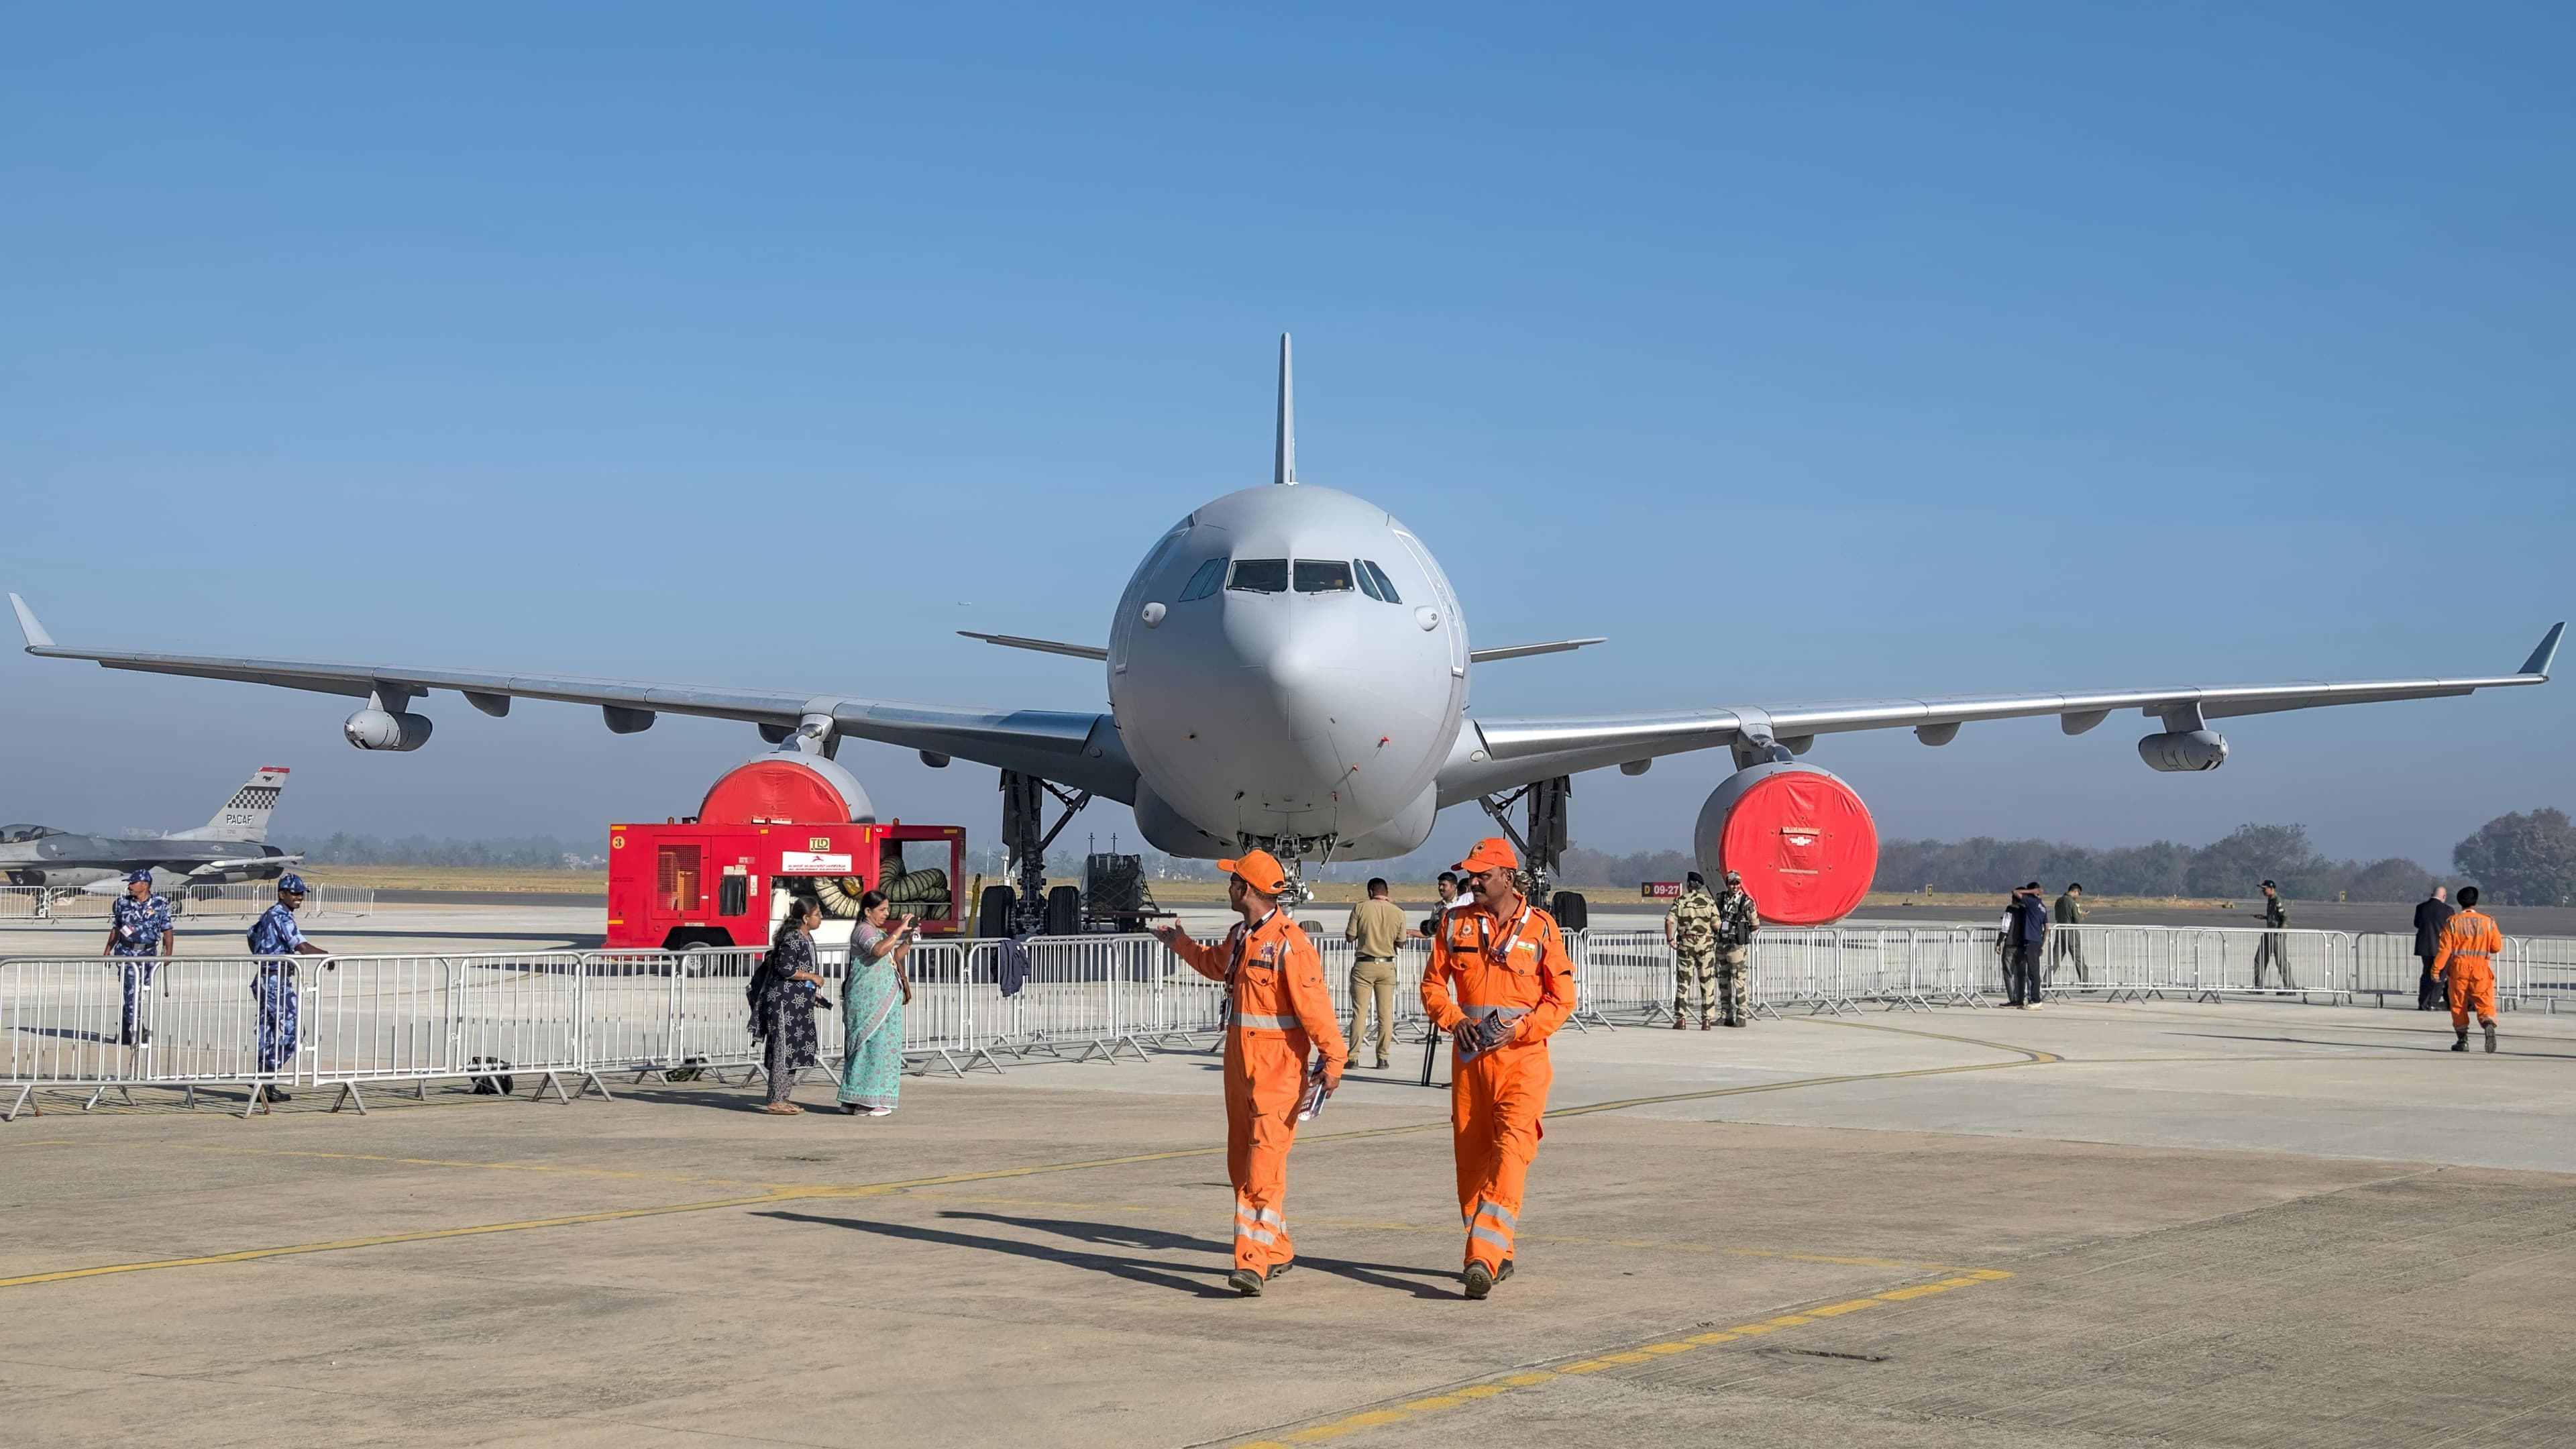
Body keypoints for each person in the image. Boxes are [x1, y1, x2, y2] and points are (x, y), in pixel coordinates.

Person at [1152, 849, 1347, 1296]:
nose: (1228, 887)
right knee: (1241, 1165)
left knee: (1262, 1169)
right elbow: (1215, 965)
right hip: (1240, 1070)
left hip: (1278, 1073)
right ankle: (1276, 1249)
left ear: (1246, 889)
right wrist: (1180, 944)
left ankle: (1252, 1262)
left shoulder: (1291, 944)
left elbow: (1316, 1010)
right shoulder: (1242, 935)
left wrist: (1334, 1061)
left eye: (1233, 880)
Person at [1421, 837, 1576, 1300]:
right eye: (1470, 875)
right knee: (1471, 1164)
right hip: (1470, 1064)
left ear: (1507, 877)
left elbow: (1562, 1000)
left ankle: (1482, 1258)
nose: (1473, 882)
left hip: (1523, 1062)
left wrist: (1524, 1028)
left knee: (1511, 1152)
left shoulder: (1542, 928)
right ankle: (1495, 1248)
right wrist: (1453, 1019)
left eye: (1482, 875)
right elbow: (1432, 985)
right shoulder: (1454, 923)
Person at [245, 874, 331, 1102]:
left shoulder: (269, 914)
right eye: (294, 893)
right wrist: (327, 957)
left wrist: (260, 955)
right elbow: (301, 946)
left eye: (301, 893)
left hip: (265, 978)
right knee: (294, 1032)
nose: (299, 897)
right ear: (282, 894)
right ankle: (265, 1076)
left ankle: (266, 1087)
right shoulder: (282, 916)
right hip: (276, 981)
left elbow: (251, 935)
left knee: (269, 1033)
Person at [838, 891, 917, 1116]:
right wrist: (899, 929)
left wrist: (908, 939)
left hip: (882, 998)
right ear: (867, 911)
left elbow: (893, 956)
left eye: (887, 909)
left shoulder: (878, 932)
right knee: (871, 1049)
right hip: (869, 1002)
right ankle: (868, 1101)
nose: (886, 914)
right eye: (882, 910)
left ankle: (854, 1101)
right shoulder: (864, 931)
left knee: (876, 1048)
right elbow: (878, 950)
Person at [751, 899, 828, 1115]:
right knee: (783, 1050)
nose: (820, 918)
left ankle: (783, 1097)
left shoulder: (807, 937)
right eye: (818, 914)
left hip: (799, 1003)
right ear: (806, 918)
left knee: (793, 1051)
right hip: (784, 1005)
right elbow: (785, 969)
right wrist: (811, 976)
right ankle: (776, 1100)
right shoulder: (792, 938)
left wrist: (811, 992)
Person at [1343, 877, 1410, 1069]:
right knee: (1386, 1014)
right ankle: (1382, 1057)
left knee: (1360, 1013)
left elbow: (1350, 936)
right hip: (1387, 966)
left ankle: (1354, 1057)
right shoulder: (1398, 912)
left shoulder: (1361, 908)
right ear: (1387, 892)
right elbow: (1402, 942)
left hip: (1364, 965)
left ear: (1371, 892)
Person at [102, 869, 174, 1046]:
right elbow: (116, 929)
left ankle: (126, 1030)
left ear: (145, 885)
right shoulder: (122, 904)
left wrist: (169, 954)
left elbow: (167, 930)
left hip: (148, 954)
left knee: (140, 991)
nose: (130, 886)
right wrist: (107, 949)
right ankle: (136, 1029)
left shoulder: (160, 903)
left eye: (133, 883)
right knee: (131, 990)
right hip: (126, 954)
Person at [2432, 885, 2504, 1054]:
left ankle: (2462, 1040)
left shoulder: (2453, 922)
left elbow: (2445, 950)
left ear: (2460, 902)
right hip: (2481, 968)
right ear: (2475, 902)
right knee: (2484, 1001)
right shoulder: (2488, 922)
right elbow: (2496, 947)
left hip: (2459, 968)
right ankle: (2487, 1022)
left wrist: (2436, 970)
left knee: (2458, 1004)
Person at [1662, 871, 1720, 1030]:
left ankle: (1681, 1018)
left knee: (1683, 982)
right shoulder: (1709, 902)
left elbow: (1669, 921)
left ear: (1688, 884)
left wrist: (1670, 939)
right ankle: (1706, 1020)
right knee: (1707, 983)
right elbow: (1717, 925)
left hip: (1686, 944)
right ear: (1700, 886)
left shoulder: (1680, 901)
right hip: (1705, 945)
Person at [1713, 870, 1761, 1027]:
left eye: (1737, 883)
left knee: (1739, 981)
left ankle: (1742, 1014)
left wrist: (1740, 932)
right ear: (1727, 884)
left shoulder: (1746, 902)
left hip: (1736, 947)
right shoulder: (1720, 899)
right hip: (1721, 945)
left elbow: (1755, 924)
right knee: (1723, 981)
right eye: (1732, 883)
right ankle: (1726, 1014)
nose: (1735, 886)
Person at [2002, 883, 2049, 1009]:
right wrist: (2042, 944)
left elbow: (2015, 891)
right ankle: (2033, 999)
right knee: (2033, 971)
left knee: (2033, 972)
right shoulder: (2043, 907)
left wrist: (2030, 891)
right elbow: (2047, 929)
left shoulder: (2032, 903)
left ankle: (2036, 1000)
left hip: (2032, 940)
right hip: (2037, 941)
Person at [2412, 885, 2454, 1012]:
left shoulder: (2421, 907)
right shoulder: (2448, 910)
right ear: (2444, 896)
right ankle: (2433, 1002)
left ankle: (2423, 1002)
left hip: (2425, 946)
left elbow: (2416, 924)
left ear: (2432, 894)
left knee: (2426, 974)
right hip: (2442, 947)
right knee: (2440, 975)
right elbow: (2452, 929)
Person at [2253, 880, 2295, 989]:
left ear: (2271, 889)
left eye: (2264, 889)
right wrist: (2265, 917)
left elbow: (2286, 919)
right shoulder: (2270, 901)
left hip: (2277, 935)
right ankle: (2258, 987)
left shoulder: (2277, 901)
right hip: (2269, 933)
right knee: (2260, 959)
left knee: (2281, 961)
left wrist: (2280, 933)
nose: (2263, 891)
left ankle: (2290, 987)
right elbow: (2275, 917)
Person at [2050, 883, 2087, 987]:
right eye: (2078, 894)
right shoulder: (2072, 903)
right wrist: (2082, 915)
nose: (2078, 896)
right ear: (2075, 891)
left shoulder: (2059, 901)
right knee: (2079, 959)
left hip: (2060, 930)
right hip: (2071, 932)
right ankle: (2086, 983)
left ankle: (2046, 981)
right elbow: (2077, 919)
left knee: (2055, 959)